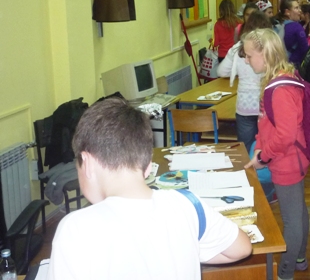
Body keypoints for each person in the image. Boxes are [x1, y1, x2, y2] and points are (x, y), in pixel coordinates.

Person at [47, 98, 252, 280]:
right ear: (147, 167)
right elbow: (241, 248)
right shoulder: (187, 204)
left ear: (87, 163)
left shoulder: (76, 229)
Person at [243, 28, 310, 278]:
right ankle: (299, 258)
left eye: (249, 55)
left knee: (292, 219)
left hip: (287, 160)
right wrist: (260, 145)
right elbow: (266, 122)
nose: (246, 61)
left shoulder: (280, 89)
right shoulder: (277, 80)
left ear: (265, 54)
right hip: (290, 157)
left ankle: (285, 272)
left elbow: (285, 135)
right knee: (298, 211)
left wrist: (263, 156)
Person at [217, 10, 273, 153]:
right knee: (267, 144)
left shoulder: (238, 48)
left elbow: (221, 71)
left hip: (245, 104)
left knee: (246, 147)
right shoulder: (270, 47)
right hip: (266, 102)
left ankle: (248, 166)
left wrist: (237, 72)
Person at [274, 0, 309, 68]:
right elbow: (305, 49)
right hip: (293, 66)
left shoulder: (277, 25)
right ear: (287, 12)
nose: (300, 10)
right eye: (296, 8)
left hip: (278, 64)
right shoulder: (297, 27)